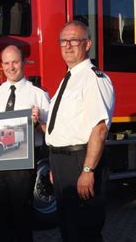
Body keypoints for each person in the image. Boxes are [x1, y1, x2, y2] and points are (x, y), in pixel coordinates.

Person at [45, 21, 115, 242]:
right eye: (63, 41)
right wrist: (56, 163)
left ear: (88, 44)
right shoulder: (68, 79)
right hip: (63, 163)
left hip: (80, 160)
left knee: (85, 231)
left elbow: (100, 129)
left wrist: (87, 170)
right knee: (68, 228)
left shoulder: (93, 79)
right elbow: (65, 126)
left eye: (74, 40)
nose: (67, 45)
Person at [0, 45, 50, 242]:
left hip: (23, 168)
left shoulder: (38, 94)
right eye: (6, 63)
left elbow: (51, 133)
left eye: (15, 62)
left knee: (22, 218)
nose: (11, 67)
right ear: (2, 65)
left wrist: (38, 123)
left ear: (24, 62)